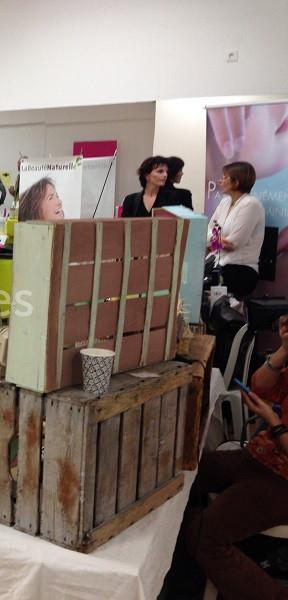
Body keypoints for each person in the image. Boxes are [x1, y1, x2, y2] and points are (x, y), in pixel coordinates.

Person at [182, 314, 288, 600]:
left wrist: (274, 423)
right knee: (185, 474)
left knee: (204, 537)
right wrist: (283, 350)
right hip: (259, 458)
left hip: (282, 481)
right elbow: (261, 387)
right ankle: (188, 553)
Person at [206, 161, 265, 300]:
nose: (220, 180)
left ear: (236, 182)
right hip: (219, 264)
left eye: (225, 177)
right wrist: (216, 241)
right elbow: (209, 229)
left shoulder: (251, 204)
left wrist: (214, 242)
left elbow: (233, 244)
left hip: (240, 270)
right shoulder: (225, 202)